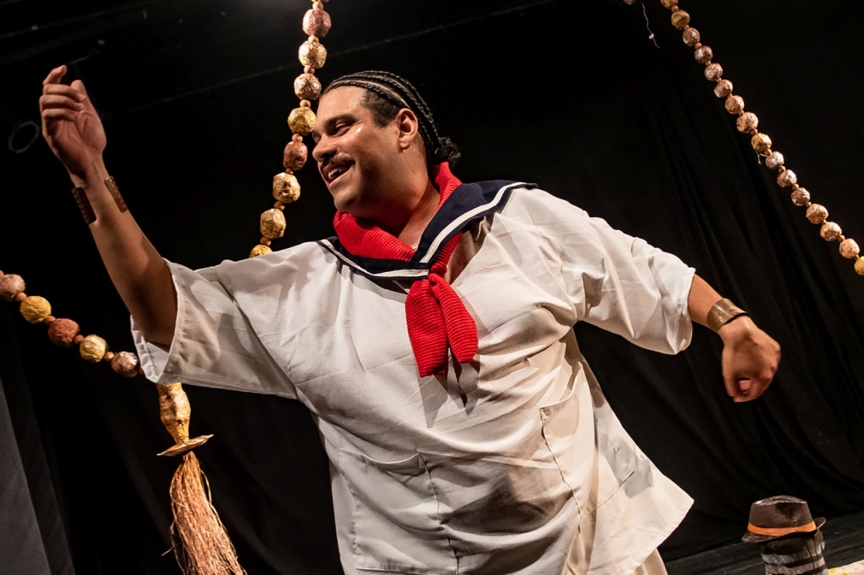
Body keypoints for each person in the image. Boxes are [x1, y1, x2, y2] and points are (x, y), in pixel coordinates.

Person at [39, 65, 781, 574]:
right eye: (316, 136)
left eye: (340, 127)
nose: (321, 149)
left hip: (591, 554)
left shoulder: (519, 220)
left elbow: (641, 269)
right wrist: (90, 174)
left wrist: (732, 322)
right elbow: (160, 305)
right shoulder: (302, 288)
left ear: (404, 128)